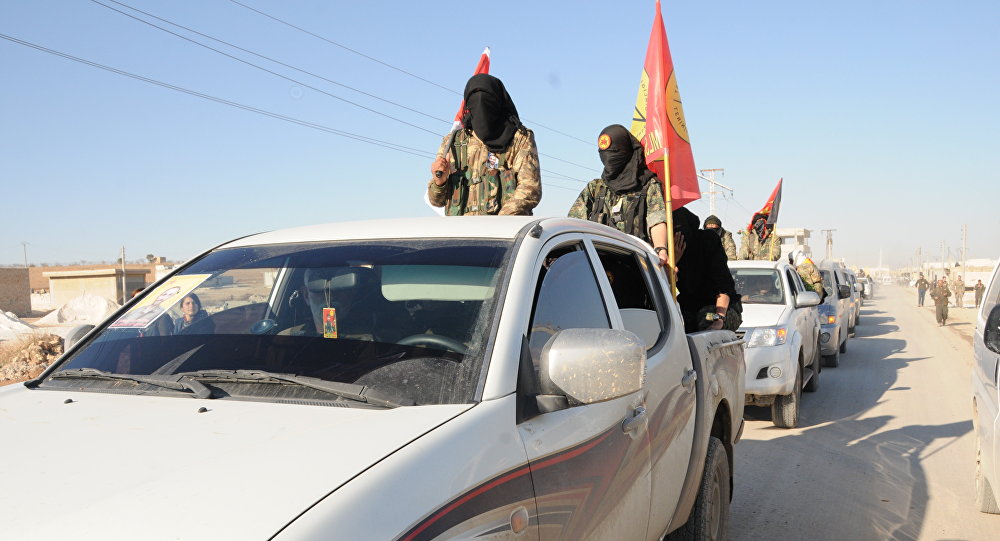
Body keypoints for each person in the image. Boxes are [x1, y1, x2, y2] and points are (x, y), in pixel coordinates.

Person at [427, 74, 540, 216]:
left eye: (487, 98)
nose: (480, 104)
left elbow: (530, 190)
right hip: (461, 229)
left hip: (505, 228)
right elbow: (436, 201)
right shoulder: (452, 143)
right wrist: (440, 182)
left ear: (498, 101)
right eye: (474, 98)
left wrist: (497, 223)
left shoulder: (518, 139)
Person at [568, 124, 669, 267]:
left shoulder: (648, 185)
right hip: (599, 268)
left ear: (627, 151)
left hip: (637, 267)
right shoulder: (595, 188)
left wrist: (660, 249)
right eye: (604, 154)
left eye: (614, 153)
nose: (609, 159)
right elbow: (574, 224)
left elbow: (657, 219)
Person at [672, 207, 741, 333]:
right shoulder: (670, 251)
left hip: (720, 310)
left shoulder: (708, 241)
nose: (678, 237)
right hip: (690, 308)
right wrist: (673, 261)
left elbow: (724, 288)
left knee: (706, 317)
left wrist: (719, 318)